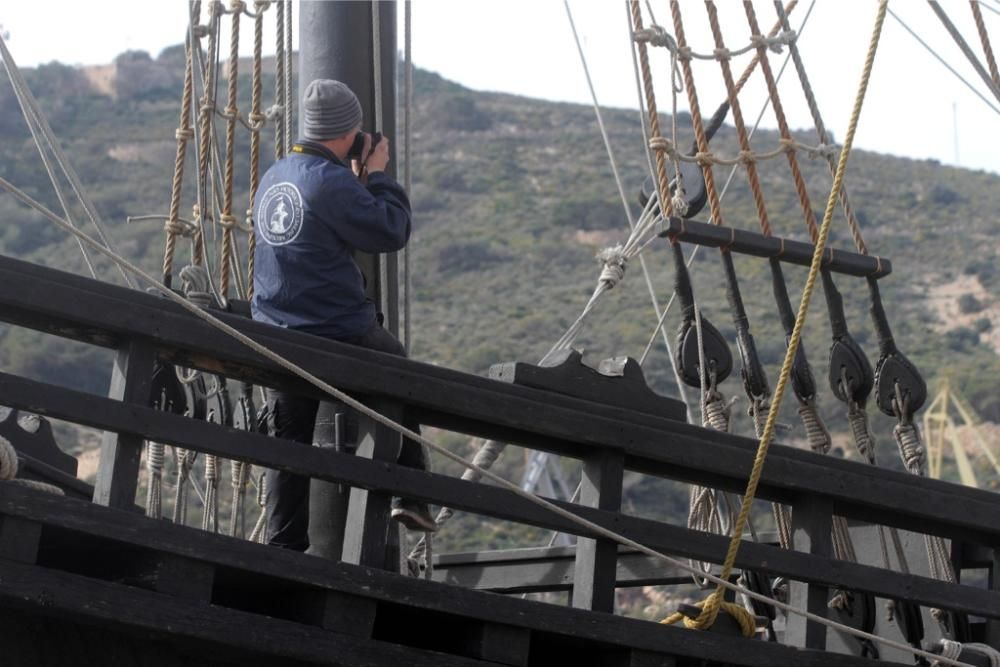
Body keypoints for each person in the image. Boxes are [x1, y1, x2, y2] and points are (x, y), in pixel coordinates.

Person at [252, 79, 435, 551]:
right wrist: (376, 176)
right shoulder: (330, 182)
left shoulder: (276, 177)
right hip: (334, 328)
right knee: (399, 375)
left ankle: (283, 545)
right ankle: (409, 495)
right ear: (347, 131)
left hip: (276, 329)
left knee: (289, 441)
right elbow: (390, 230)